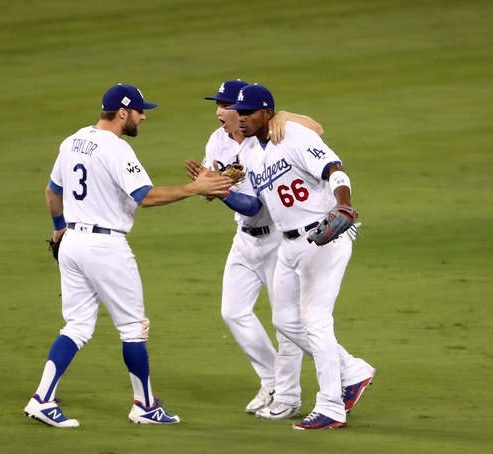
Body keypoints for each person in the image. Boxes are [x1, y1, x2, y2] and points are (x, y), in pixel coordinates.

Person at [24, 83, 233, 428]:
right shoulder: (115, 149)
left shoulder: (73, 140)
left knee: (76, 327)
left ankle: (42, 398)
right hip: (106, 248)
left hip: (73, 243)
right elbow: (145, 197)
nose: (142, 118)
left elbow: (52, 190)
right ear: (122, 112)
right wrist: (193, 188)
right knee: (133, 329)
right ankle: (145, 406)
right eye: (139, 111)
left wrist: (59, 228)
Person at [220, 83, 375, 429]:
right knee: (285, 322)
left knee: (315, 321)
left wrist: (344, 205)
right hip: (287, 245)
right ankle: (352, 371)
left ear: (267, 114)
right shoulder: (248, 153)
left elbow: (335, 170)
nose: (241, 119)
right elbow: (256, 205)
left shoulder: (293, 136)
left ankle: (331, 406)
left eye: (249, 114)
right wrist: (222, 191)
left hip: (323, 236)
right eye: (239, 113)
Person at [185, 79, 325, 420]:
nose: (219, 112)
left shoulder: (268, 141)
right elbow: (216, 185)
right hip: (243, 239)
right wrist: (209, 186)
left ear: (245, 112)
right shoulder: (218, 140)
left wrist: (221, 192)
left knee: (286, 323)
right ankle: (272, 380)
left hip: (277, 240)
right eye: (216, 105)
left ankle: (290, 397)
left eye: (226, 106)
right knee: (233, 312)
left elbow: (251, 205)